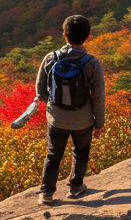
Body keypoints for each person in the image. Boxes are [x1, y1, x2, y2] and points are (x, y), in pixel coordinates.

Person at [33, 15, 106, 206]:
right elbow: (98, 97)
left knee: (52, 155)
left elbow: (40, 89)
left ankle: (46, 193)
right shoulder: (92, 62)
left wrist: (52, 105)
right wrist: (99, 123)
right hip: (83, 120)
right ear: (88, 36)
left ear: (64, 35)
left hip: (56, 119)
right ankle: (75, 187)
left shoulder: (51, 58)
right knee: (81, 152)